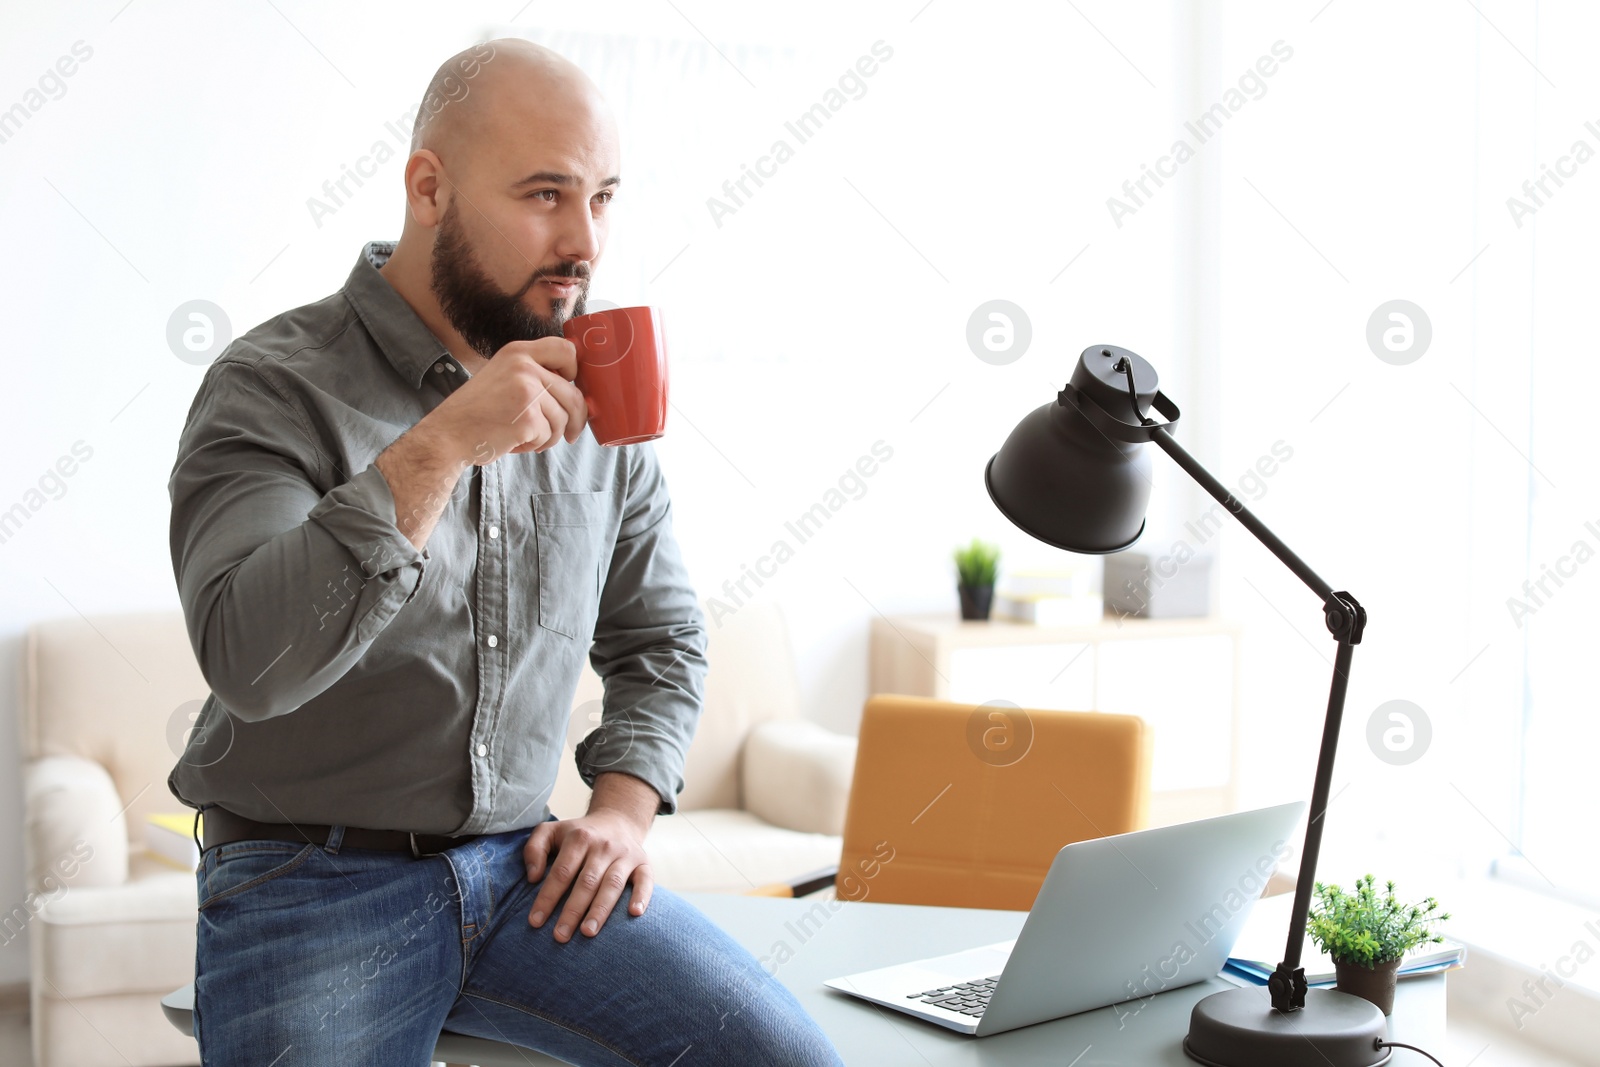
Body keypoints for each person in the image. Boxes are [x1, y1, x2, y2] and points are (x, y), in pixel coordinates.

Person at [166, 37, 844, 1066]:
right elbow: (250, 663)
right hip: (309, 879)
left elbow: (660, 638)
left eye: (603, 197)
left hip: (524, 872)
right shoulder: (273, 384)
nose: (584, 240)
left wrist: (622, 812)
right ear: (427, 189)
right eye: (544, 194)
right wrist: (439, 448)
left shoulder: (599, 395)